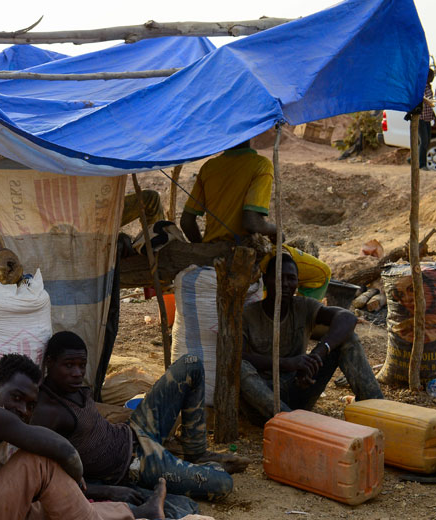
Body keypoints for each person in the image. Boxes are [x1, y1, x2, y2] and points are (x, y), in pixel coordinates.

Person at [34, 332, 245, 502]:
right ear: (49, 363)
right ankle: (194, 468)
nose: (77, 373)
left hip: (135, 430)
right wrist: (106, 491)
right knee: (223, 483)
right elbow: (51, 477)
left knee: (192, 364)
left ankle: (195, 453)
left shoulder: (73, 387)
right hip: (136, 465)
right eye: (69, 365)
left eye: (81, 365)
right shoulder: (49, 413)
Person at [0, 353, 166, 520]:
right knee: (38, 461)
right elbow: (63, 449)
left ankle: (138, 512)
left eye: (30, 406)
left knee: (52, 506)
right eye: (16, 398)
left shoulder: (4, 426)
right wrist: (76, 473)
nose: (23, 410)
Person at [240, 253, 383, 423]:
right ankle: (291, 423)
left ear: (297, 283)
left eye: (291, 278)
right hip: (263, 401)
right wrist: (288, 363)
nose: (285, 284)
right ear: (266, 280)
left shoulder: (303, 307)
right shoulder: (248, 314)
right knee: (238, 366)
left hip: (299, 391)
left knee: (348, 339)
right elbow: (239, 356)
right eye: (279, 278)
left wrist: (318, 354)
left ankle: (377, 411)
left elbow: (347, 318)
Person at [180, 139, 331, 299]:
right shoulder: (260, 164)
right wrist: (276, 231)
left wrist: (205, 250)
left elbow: (186, 222)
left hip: (214, 251)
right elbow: (251, 222)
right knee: (321, 274)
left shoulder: (209, 167)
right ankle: (295, 320)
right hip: (247, 252)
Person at [407, 67, 435, 170]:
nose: (432, 78)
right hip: (421, 118)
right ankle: (422, 164)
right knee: (423, 141)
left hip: (427, 119)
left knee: (426, 141)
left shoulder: (428, 87)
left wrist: (433, 117)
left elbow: (430, 105)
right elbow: (420, 100)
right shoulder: (420, 87)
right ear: (426, 77)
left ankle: (413, 159)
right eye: (431, 77)